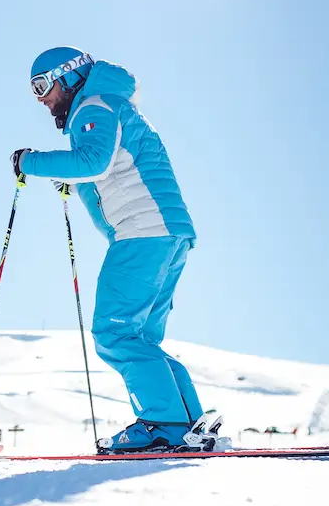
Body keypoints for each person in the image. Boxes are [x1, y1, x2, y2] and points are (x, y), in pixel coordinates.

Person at [12, 47, 215, 453]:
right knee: (139, 338)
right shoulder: (110, 105)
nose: (41, 99)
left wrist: (30, 162)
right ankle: (188, 424)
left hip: (143, 232)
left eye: (43, 86)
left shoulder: (94, 105)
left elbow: (93, 161)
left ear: (69, 76)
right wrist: (76, 183)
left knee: (114, 332)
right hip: (166, 234)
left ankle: (164, 424)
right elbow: (109, 170)